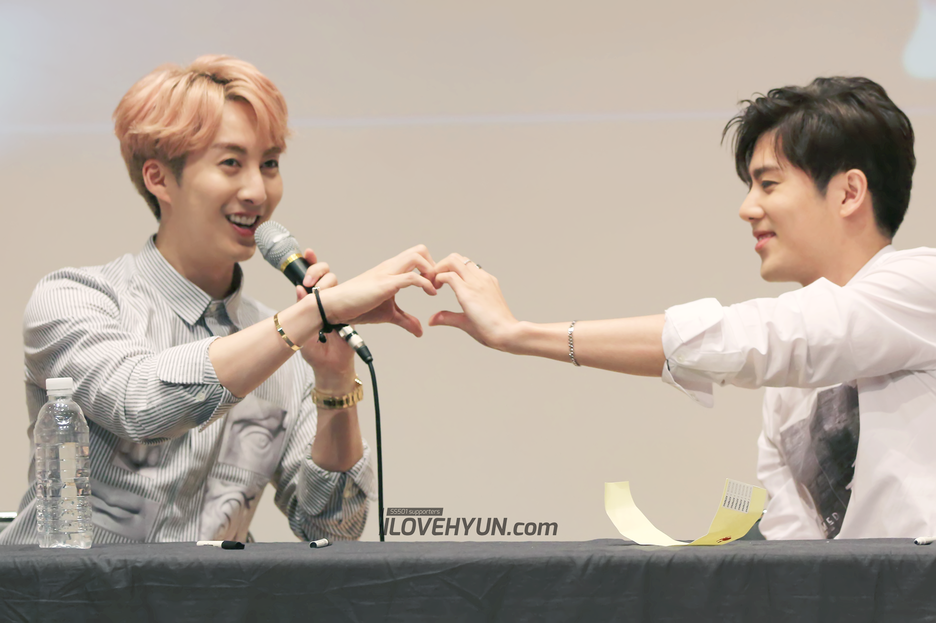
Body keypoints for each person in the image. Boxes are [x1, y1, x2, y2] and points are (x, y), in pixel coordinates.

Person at [429, 77, 935, 540]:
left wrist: (520, 334)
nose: (747, 208)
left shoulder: (921, 285)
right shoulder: (785, 392)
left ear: (848, 193)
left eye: (768, 184)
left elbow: (764, 338)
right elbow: (795, 553)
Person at [0, 56, 437, 544]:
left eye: (269, 164)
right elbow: (140, 405)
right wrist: (312, 314)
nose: (257, 191)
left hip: (215, 591)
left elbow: (333, 528)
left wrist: (335, 378)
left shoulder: (291, 343)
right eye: (231, 163)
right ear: (158, 178)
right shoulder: (74, 299)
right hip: (68, 591)